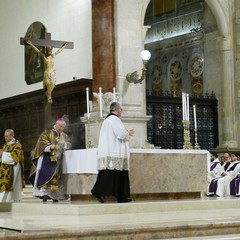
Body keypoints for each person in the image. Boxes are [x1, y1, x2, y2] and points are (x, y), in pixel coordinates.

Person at [91, 102, 134, 203]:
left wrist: (125, 132)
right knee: (112, 174)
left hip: (111, 151)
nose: (121, 111)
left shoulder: (107, 120)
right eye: (121, 109)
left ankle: (120, 196)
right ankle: (100, 192)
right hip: (115, 151)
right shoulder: (114, 119)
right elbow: (121, 134)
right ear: (117, 109)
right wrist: (128, 132)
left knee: (111, 174)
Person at [29, 118, 71, 202]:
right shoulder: (47, 132)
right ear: (56, 124)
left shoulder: (64, 135)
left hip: (58, 160)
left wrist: (65, 145)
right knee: (46, 176)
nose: (61, 129)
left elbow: (69, 144)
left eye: (63, 127)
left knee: (57, 179)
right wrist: (50, 147)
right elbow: (42, 143)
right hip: (47, 159)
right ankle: (44, 194)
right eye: (60, 126)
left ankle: (55, 196)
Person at [27, 40, 68, 104]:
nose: (50, 51)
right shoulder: (44, 56)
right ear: (47, 50)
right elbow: (37, 51)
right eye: (49, 50)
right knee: (48, 84)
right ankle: (49, 97)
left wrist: (64, 46)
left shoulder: (53, 56)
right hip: (47, 73)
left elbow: (59, 51)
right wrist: (30, 44)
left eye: (50, 50)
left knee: (52, 85)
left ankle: (49, 95)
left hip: (52, 73)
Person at [0, 129, 24, 202]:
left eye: (7, 136)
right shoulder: (5, 145)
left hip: (12, 169)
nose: (5, 138)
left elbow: (15, 157)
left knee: (9, 184)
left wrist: (3, 154)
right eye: (4, 136)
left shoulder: (17, 145)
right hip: (3, 169)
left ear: (11, 135)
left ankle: (5, 201)